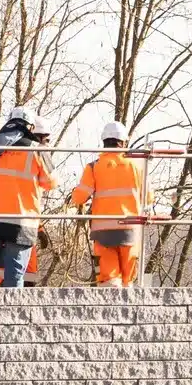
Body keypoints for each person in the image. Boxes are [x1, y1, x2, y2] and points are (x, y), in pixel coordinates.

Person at [0, 107, 55, 288]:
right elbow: (51, 183)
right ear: (30, 127)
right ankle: (11, 307)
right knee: (14, 277)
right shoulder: (37, 150)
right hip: (20, 224)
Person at [71, 121, 149, 286]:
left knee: (109, 281)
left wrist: (74, 194)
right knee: (128, 282)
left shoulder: (94, 167)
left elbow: (79, 198)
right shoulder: (137, 166)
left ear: (104, 142)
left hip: (103, 232)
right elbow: (148, 197)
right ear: (124, 142)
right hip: (130, 229)